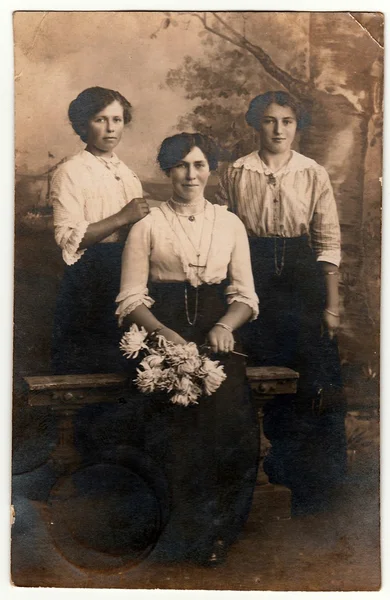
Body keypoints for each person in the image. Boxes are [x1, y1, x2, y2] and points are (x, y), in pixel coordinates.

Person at [116, 133, 260, 566]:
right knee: (172, 431)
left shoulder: (230, 223)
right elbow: (130, 298)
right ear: (167, 171)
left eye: (198, 165)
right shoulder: (148, 225)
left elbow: (246, 296)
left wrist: (223, 325)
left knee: (227, 428)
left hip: (219, 333)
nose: (190, 175)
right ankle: (174, 532)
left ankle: (218, 532)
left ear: (210, 169)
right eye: (180, 166)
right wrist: (163, 333)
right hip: (162, 333)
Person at [216, 91, 347, 514]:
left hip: (300, 277)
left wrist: (331, 305)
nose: (278, 130)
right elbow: (221, 231)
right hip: (249, 272)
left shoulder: (312, 173)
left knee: (310, 377)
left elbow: (327, 242)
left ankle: (314, 492)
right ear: (257, 124)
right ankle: (251, 487)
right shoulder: (236, 172)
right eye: (270, 121)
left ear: (297, 126)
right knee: (254, 375)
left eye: (287, 121)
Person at [50, 86, 149, 374]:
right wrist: (122, 217)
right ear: (82, 124)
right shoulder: (71, 171)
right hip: (88, 280)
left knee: (128, 363)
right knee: (88, 364)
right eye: (100, 119)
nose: (110, 129)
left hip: (127, 274)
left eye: (117, 120)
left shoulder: (128, 175)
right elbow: (68, 239)